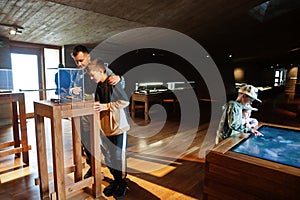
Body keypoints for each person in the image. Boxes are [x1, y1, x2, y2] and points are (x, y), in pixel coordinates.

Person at [71, 45, 124, 179]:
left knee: (107, 146)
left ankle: (117, 177)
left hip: (101, 112)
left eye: (81, 60)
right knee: (87, 143)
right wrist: (73, 91)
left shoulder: (100, 68)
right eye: (76, 61)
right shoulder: (78, 73)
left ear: (88, 56)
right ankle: (93, 167)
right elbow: (73, 88)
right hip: (84, 113)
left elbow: (118, 86)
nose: (79, 64)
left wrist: (120, 79)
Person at [88, 57, 129, 198]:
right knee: (110, 158)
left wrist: (105, 106)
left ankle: (122, 183)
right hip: (105, 129)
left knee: (118, 157)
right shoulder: (98, 85)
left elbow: (125, 101)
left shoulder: (113, 82)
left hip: (118, 128)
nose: (91, 78)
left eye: (93, 75)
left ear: (101, 71)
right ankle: (116, 182)